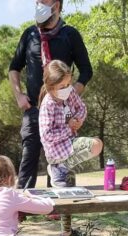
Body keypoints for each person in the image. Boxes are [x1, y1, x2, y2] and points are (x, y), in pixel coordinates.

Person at [8, 0, 93, 189]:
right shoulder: (29, 34)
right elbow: (14, 68)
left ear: (57, 5)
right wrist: (18, 95)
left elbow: (86, 70)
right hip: (33, 109)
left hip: (62, 112)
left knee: (63, 163)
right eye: (37, 2)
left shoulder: (70, 34)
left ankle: (63, 202)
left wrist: (70, 95)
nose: (38, 4)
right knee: (29, 157)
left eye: (43, 1)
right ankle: (23, 201)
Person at [38, 60, 103, 188]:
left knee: (68, 189)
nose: (67, 88)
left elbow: (81, 108)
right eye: (62, 86)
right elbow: (46, 136)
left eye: (68, 84)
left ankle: (62, 169)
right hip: (57, 151)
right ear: (51, 87)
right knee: (96, 145)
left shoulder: (70, 92)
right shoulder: (48, 105)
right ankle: (58, 168)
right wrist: (69, 127)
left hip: (70, 143)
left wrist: (78, 120)